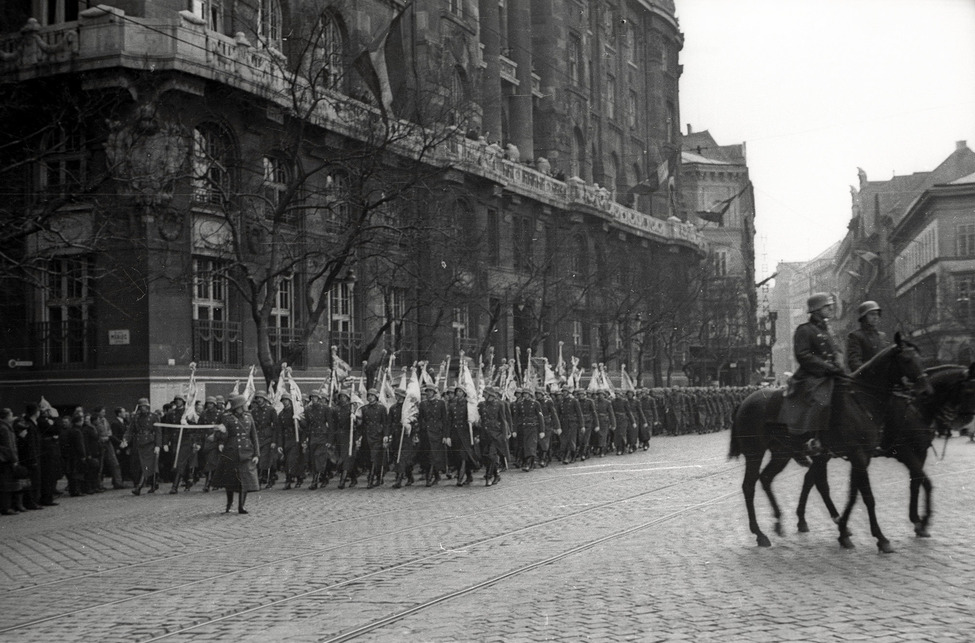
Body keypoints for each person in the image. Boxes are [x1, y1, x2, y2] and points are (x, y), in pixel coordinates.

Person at [779, 292, 846, 467]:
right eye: (827, 306)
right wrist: (826, 367)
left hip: (831, 375)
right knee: (820, 401)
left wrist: (839, 362)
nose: (831, 308)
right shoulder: (804, 330)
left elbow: (837, 349)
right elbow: (803, 355)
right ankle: (805, 441)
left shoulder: (828, 330)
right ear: (816, 310)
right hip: (811, 376)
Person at [209, 394, 260, 514]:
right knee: (230, 480)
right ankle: (229, 503)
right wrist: (222, 431)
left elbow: (254, 436)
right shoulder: (227, 418)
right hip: (231, 452)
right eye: (244, 405)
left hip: (246, 453)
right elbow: (222, 437)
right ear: (238, 406)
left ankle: (241, 506)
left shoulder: (249, 417)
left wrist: (257, 454)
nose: (246, 406)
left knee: (245, 480)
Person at [122, 398, 161, 495]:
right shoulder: (136, 417)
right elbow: (130, 430)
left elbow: (158, 432)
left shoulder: (154, 417)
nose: (143, 408)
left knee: (146, 465)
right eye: (141, 406)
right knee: (140, 465)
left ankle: (139, 487)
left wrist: (158, 445)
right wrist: (125, 439)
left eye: (145, 406)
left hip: (150, 444)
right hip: (139, 444)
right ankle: (153, 483)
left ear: (148, 406)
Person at [846, 300, 888, 373]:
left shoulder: (882, 336)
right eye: (872, 314)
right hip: (866, 378)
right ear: (864, 317)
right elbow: (854, 362)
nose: (876, 317)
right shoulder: (855, 336)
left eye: (877, 314)